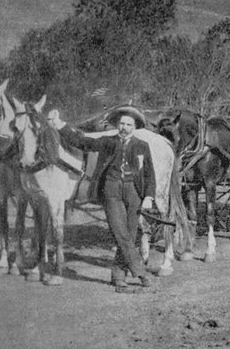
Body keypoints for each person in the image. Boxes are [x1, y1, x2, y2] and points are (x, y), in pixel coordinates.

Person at [48, 105, 156, 293]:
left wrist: (149, 196)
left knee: (129, 234)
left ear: (135, 126)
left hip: (134, 192)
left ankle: (118, 276)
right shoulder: (107, 141)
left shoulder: (142, 146)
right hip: (111, 191)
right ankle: (140, 272)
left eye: (129, 124)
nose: (124, 127)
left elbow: (149, 174)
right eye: (121, 123)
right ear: (117, 125)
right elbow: (82, 142)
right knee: (120, 233)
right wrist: (61, 125)